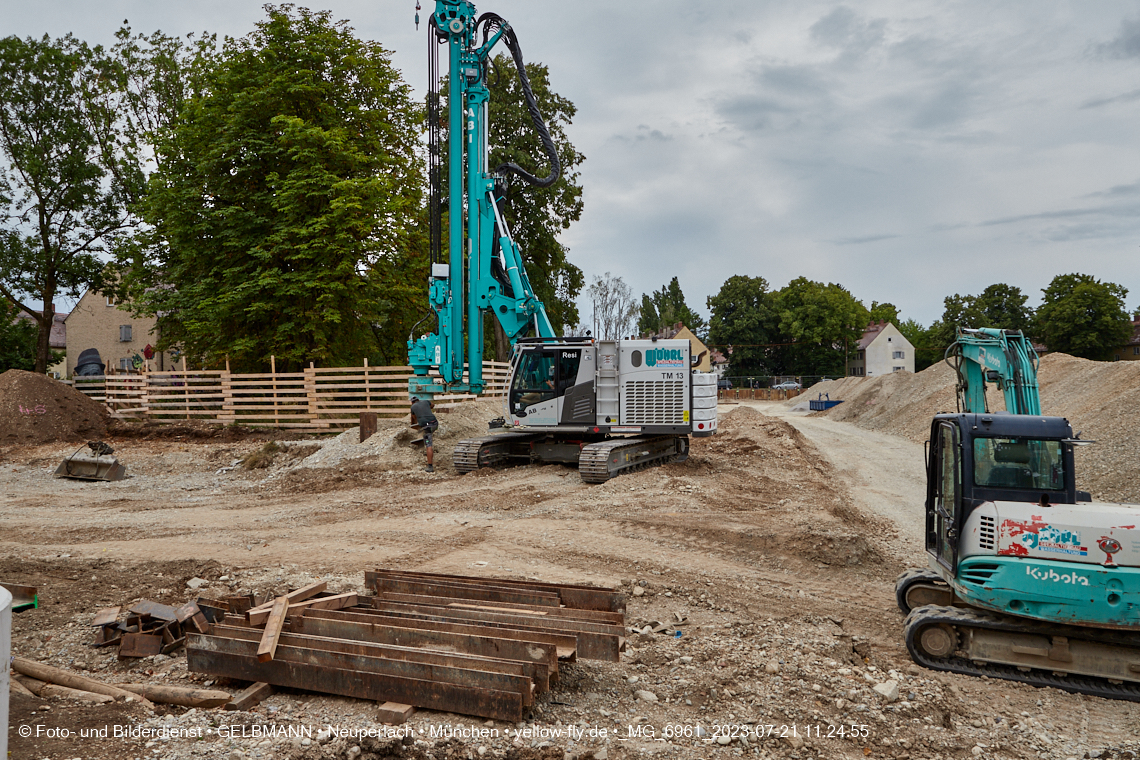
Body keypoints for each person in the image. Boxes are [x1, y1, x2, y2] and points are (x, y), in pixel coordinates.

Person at [410, 396, 439, 473]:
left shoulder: (413, 407)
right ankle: (428, 434)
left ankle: (430, 466)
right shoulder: (426, 401)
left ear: (412, 402)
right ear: (418, 400)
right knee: (428, 431)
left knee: (428, 445)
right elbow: (432, 405)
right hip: (435, 423)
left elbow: (413, 419)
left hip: (427, 426)